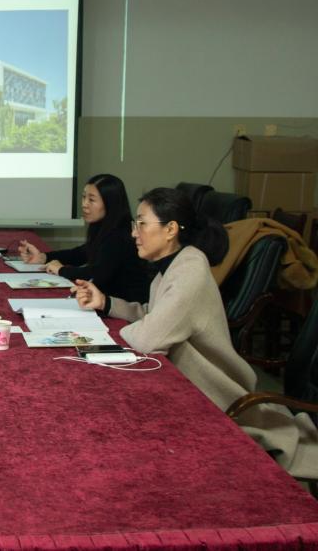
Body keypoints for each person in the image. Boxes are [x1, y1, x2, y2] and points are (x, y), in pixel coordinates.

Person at [74, 187, 318, 478]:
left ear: (170, 230)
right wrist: (106, 302)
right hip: (186, 384)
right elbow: (154, 315)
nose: (134, 233)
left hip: (214, 396)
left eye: (141, 223)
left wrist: (127, 330)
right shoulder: (172, 265)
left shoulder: (190, 270)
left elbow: (149, 339)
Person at [18, 173, 151, 303]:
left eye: (91, 200)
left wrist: (61, 270)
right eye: (83, 197)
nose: (84, 204)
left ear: (111, 203)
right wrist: (43, 257)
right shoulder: (103, 225)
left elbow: (97, 273)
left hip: (126, 306)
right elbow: (81, 253)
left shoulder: (121, 233)